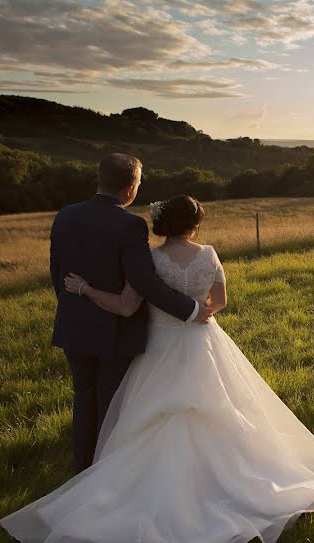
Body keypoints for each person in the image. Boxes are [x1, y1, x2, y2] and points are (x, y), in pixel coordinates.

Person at [0, 195, 314, 543]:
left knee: (149, 412)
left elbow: (123, 307)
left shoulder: (150, 261)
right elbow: (219, 301)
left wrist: (83, 289)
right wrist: (200, 313)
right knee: (224, 407)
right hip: (203, 341)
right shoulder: (209, 254)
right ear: (196, 223)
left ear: (161, 223)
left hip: (160, 347)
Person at [48, 153, 211, 473]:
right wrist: (191, 309)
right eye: (138, 183)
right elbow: (144, 281)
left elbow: (57, 271)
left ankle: (82, 464)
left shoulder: (65, 215)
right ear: (129, 188)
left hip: (74, 324)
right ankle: (107, 470)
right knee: (111, 401)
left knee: (84, 394)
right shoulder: (129, 224)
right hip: (115, 328)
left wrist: (75, 306)